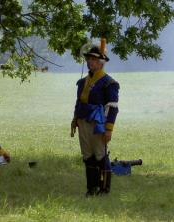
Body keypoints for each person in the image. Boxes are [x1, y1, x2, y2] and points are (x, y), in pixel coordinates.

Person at [71, 41, 120, 196]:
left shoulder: (109, 83)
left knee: (100, 155)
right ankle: (91, 188)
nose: (89, 62)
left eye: (92, 60)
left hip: (99, 123)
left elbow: (112, 107)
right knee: (88, 156)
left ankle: (104, 189)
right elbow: (79, 102)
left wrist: (108, 129)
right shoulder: (82, 82)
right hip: (83, 121)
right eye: (88, 59)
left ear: (100, 63)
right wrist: (75, 119)